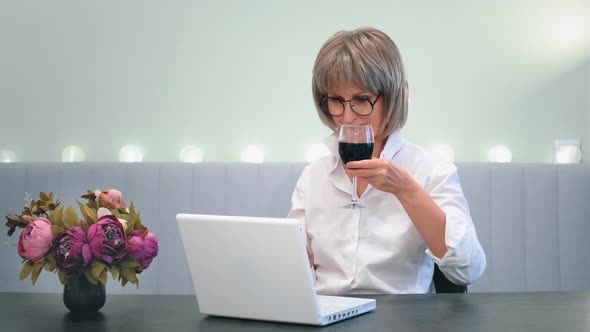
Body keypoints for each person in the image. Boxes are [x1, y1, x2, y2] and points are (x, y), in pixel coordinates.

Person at [287, 27, 486, 294]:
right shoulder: (314, 175)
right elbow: (293, 263)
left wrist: (406, 190)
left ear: (391, 97)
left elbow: (469, 269)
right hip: (327, 318)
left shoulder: (430, 170)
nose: (347, 117)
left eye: (361, 99)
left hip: (402, 319)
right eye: (336, 100)